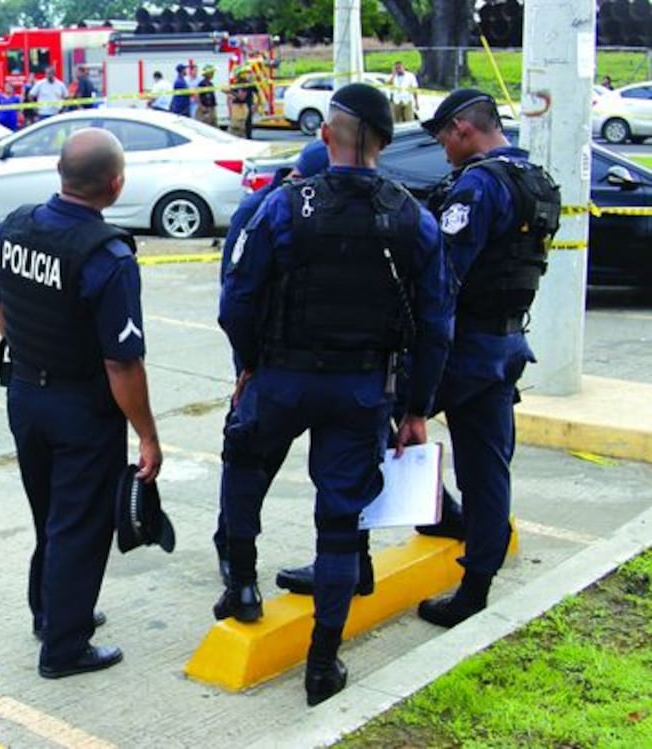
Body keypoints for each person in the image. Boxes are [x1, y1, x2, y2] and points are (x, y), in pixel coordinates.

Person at [217, 83, 453, 705]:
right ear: (384, 141)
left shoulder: (285, 206)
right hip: (360, 389)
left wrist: (248, 366)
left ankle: (241, 586)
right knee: (341, 521)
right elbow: (436, 323)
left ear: (327, 136)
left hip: (282, 376)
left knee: (244, 465)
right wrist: (416, 408)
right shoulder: (412, 215)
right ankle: (323, 664)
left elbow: (238, 297)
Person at [0, 128, 163, 679]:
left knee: (50, 516)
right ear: (115, 185)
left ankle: (51, 613)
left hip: (25, 395)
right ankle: (65, 647)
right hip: (80, 409)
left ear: (62, 175)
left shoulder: (16, 227)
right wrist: (148, 435)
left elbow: (0, 303)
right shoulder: (107, 256)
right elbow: (122, 363)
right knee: (81, 527)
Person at [410, 89, 561, 627]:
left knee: (373, 419)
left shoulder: (477, 185)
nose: (441, 148)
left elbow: (442, 280)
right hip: (507, 344)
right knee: (488, 465)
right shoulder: (534, 179)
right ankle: (475, 587)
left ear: (462, 129)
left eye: (441, 136)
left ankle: (436, 515)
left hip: (463, 346)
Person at [212, 140, 330, 584]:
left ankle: (349, 558)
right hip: (269, 364)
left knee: (343, 466)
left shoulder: (342, 206)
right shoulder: (261, 210)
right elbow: (236, 296)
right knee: (254, 459)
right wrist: (247, 365)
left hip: (331, 362)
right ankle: (232, 548)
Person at [227, 65, 253, 138]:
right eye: (245, 73)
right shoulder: (236, 83)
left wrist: (230, 92)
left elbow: (242, 97)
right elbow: (230, 97)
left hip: (241, 108)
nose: (246, 75)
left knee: (238, 128)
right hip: (236, 108)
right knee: (237, 128)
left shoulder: (244, 84)